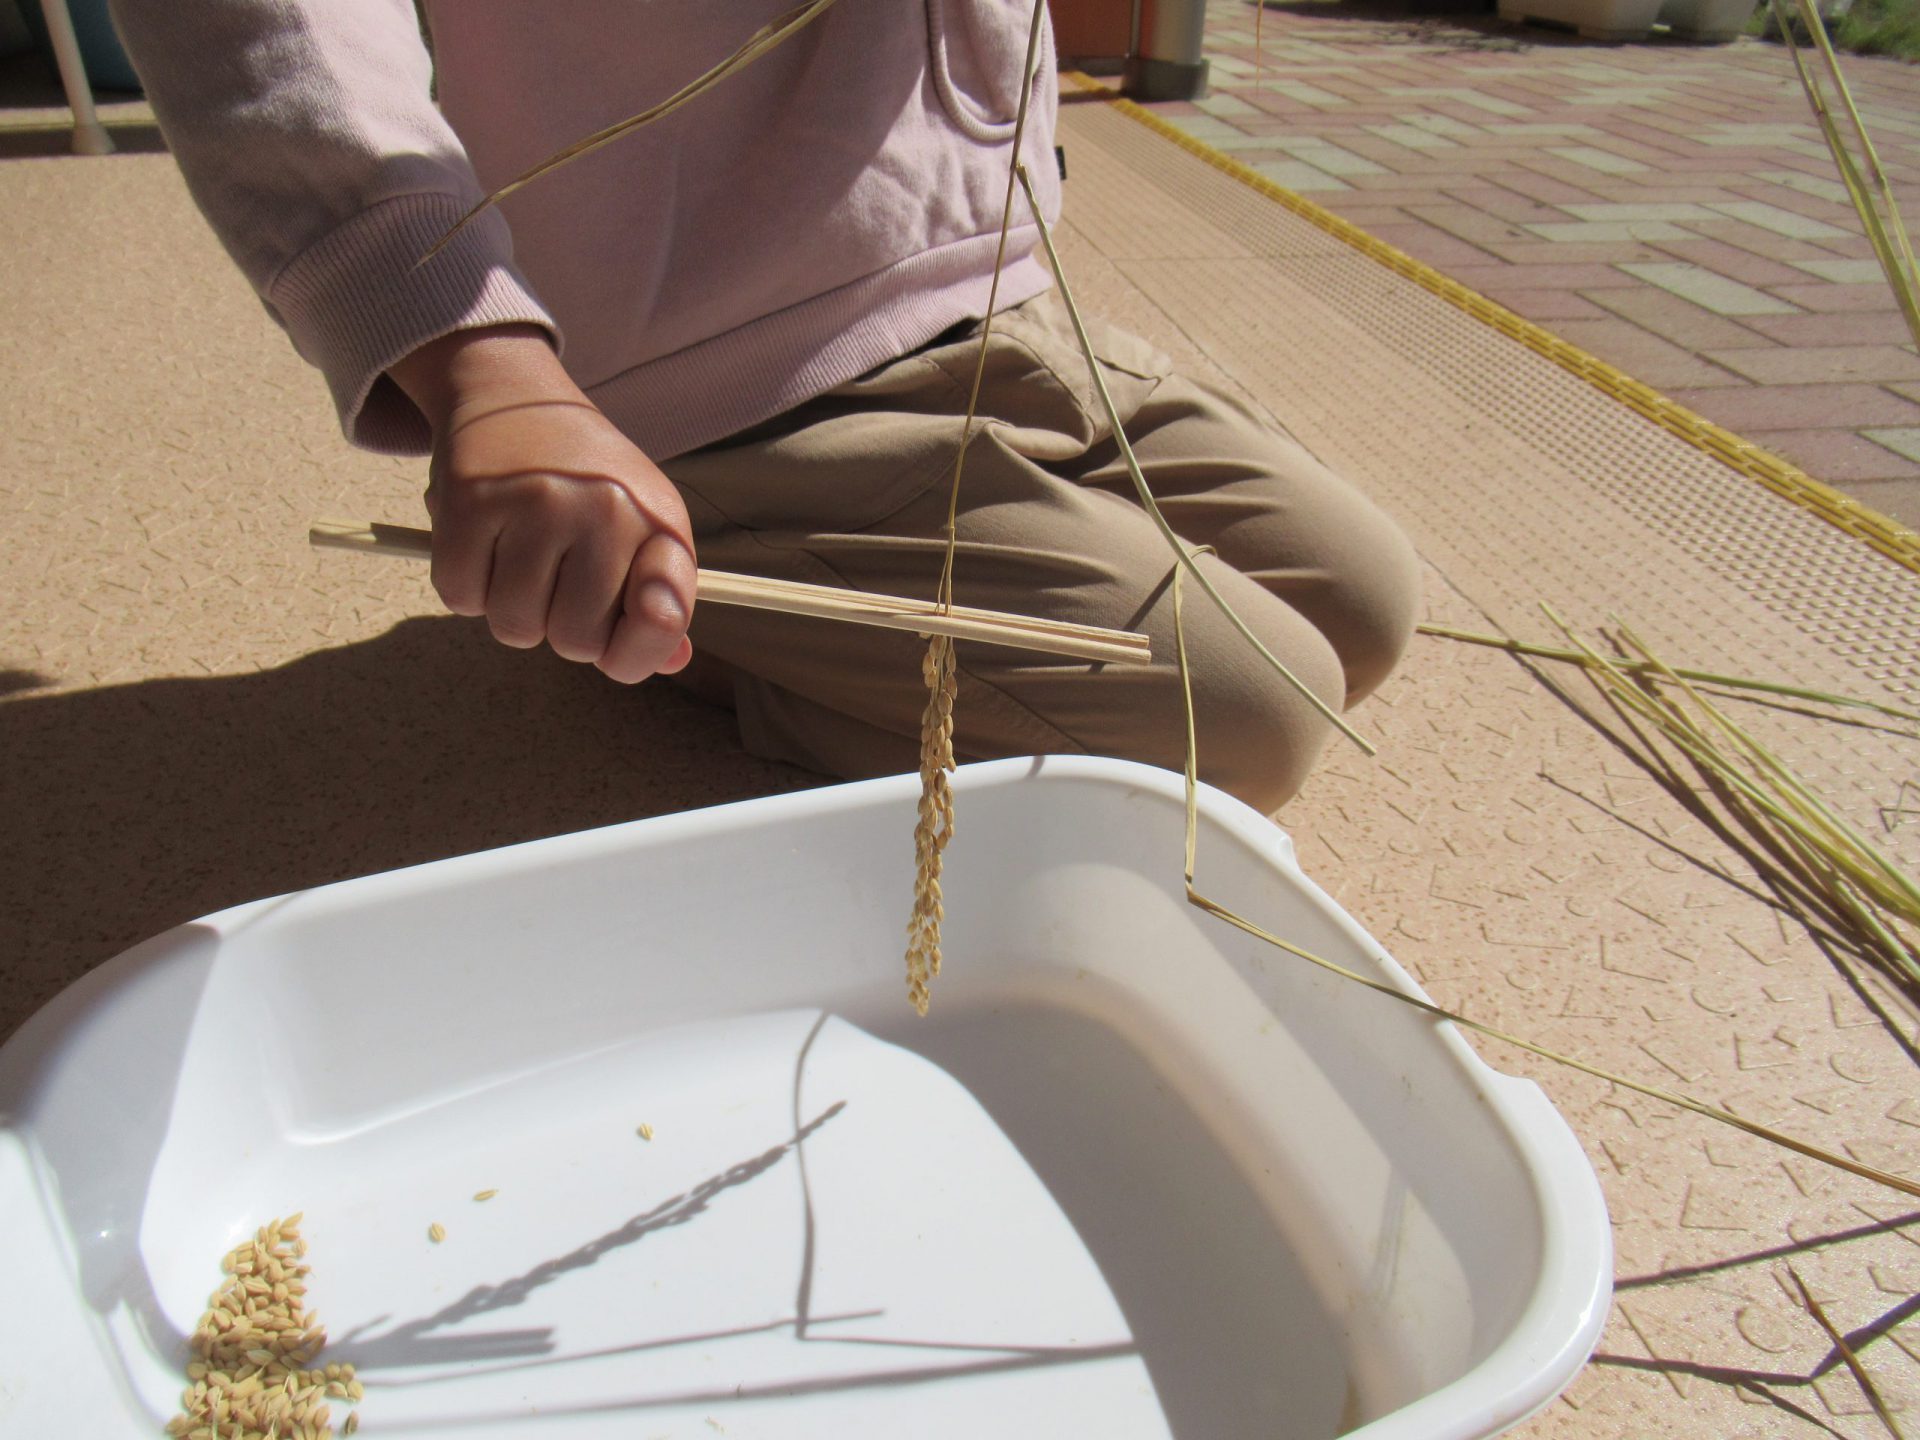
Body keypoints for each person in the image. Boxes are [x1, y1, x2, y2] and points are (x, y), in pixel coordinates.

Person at [108, 0, 1420, 811]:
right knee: (1248, 724)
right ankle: (653, 599)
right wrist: (481, 364)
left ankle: (680, 597)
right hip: (706, 378)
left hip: (985, 281)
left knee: (1359, 600)